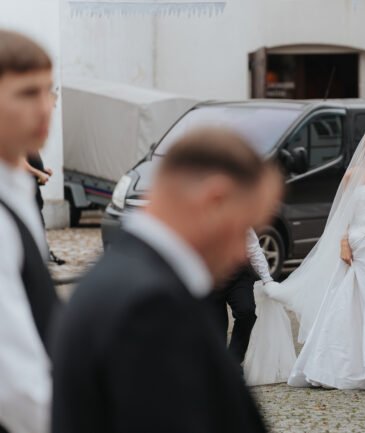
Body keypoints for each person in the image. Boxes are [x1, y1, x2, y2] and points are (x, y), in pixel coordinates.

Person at [51, 128, 282, 433]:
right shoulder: (152, 307)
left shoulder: (120, 275)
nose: (243, 251)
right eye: (245, 226)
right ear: (215, 200)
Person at [246, 121, 365, 396]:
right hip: (359, 245)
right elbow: (343, 213)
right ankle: (344, 366)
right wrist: (344, 242)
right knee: (352, 303)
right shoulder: (352, 175)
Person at [0, 29, 60, 433]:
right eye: (26, 93)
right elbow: (16, 386)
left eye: (47, 91)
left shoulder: (15, 191)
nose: (43, 108)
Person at [211, 228, 275, 364]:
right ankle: (219, 366)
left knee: (247, 312)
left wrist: (267, 278)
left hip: (238, 274)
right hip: (210, 277)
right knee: (216, 325)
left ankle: (233, 362)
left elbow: (253, 247)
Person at [23, 153, 66, 264]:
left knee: (38, 224)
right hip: (25, 193)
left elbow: (29, 162)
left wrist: (42, 171)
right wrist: (38, 173)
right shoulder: (18, 143)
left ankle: (42, 253)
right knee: (34, 224)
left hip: (31, 189)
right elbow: (21, 163)